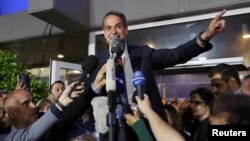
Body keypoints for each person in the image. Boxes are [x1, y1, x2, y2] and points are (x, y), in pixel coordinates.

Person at [91, 9, 226, 140]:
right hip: (114, 133)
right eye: (108, 28)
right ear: (104, 33)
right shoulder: (98, 63)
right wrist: (95, 88)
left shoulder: (143, 53)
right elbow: (88, 95)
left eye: (118, 26)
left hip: (148, 126)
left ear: (126, 30)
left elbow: (176, 55)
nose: (113, 32)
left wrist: (206, 35)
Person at [1, 82, 84, 141]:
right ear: (12, 114)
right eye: (25, 104)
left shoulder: (48, 123)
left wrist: (93, 87)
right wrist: (60, 104)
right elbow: (28, 136)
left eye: (32, 101)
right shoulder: (5, 136)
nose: (34, 106)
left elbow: (70, 115)